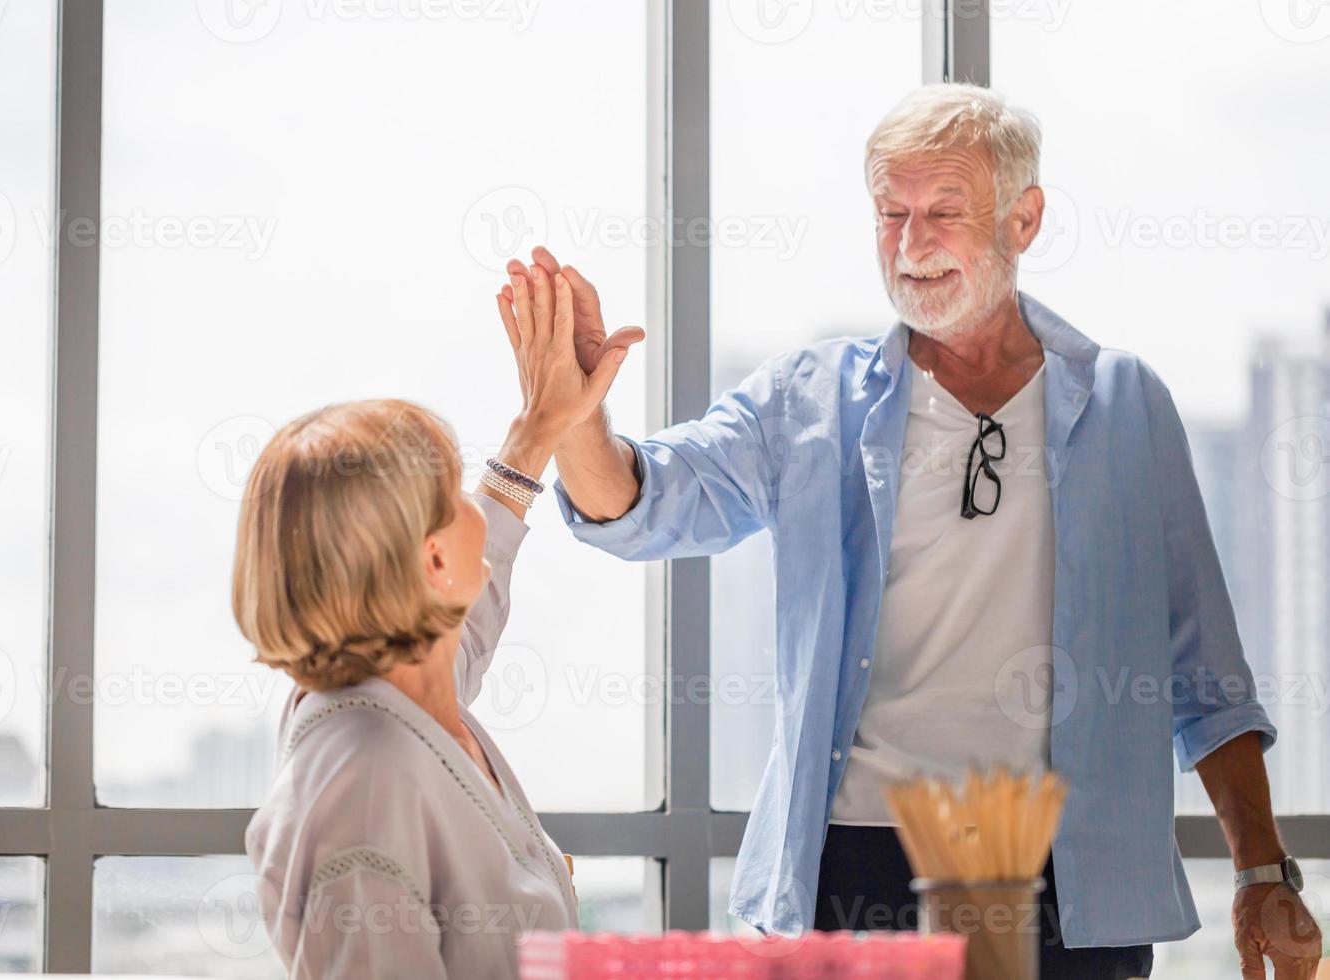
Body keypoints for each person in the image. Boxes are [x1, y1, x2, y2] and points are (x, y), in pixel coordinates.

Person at [497, 84, 1322, 979]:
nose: (911, 243)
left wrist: (1260, 867)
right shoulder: (807, 398)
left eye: (943, 212)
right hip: (853, 866)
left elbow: (1202, 671)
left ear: (1024, 220)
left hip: (1071, 878)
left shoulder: (1127, 404)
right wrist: (577, 418)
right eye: (889, 213)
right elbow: (638, 503)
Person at [239, 270, 633, 978]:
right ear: (431, 561)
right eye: (451, 494)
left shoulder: (409, 695)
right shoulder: (364, 779)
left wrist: (542, 422)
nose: (473, 506)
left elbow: (471, 618)